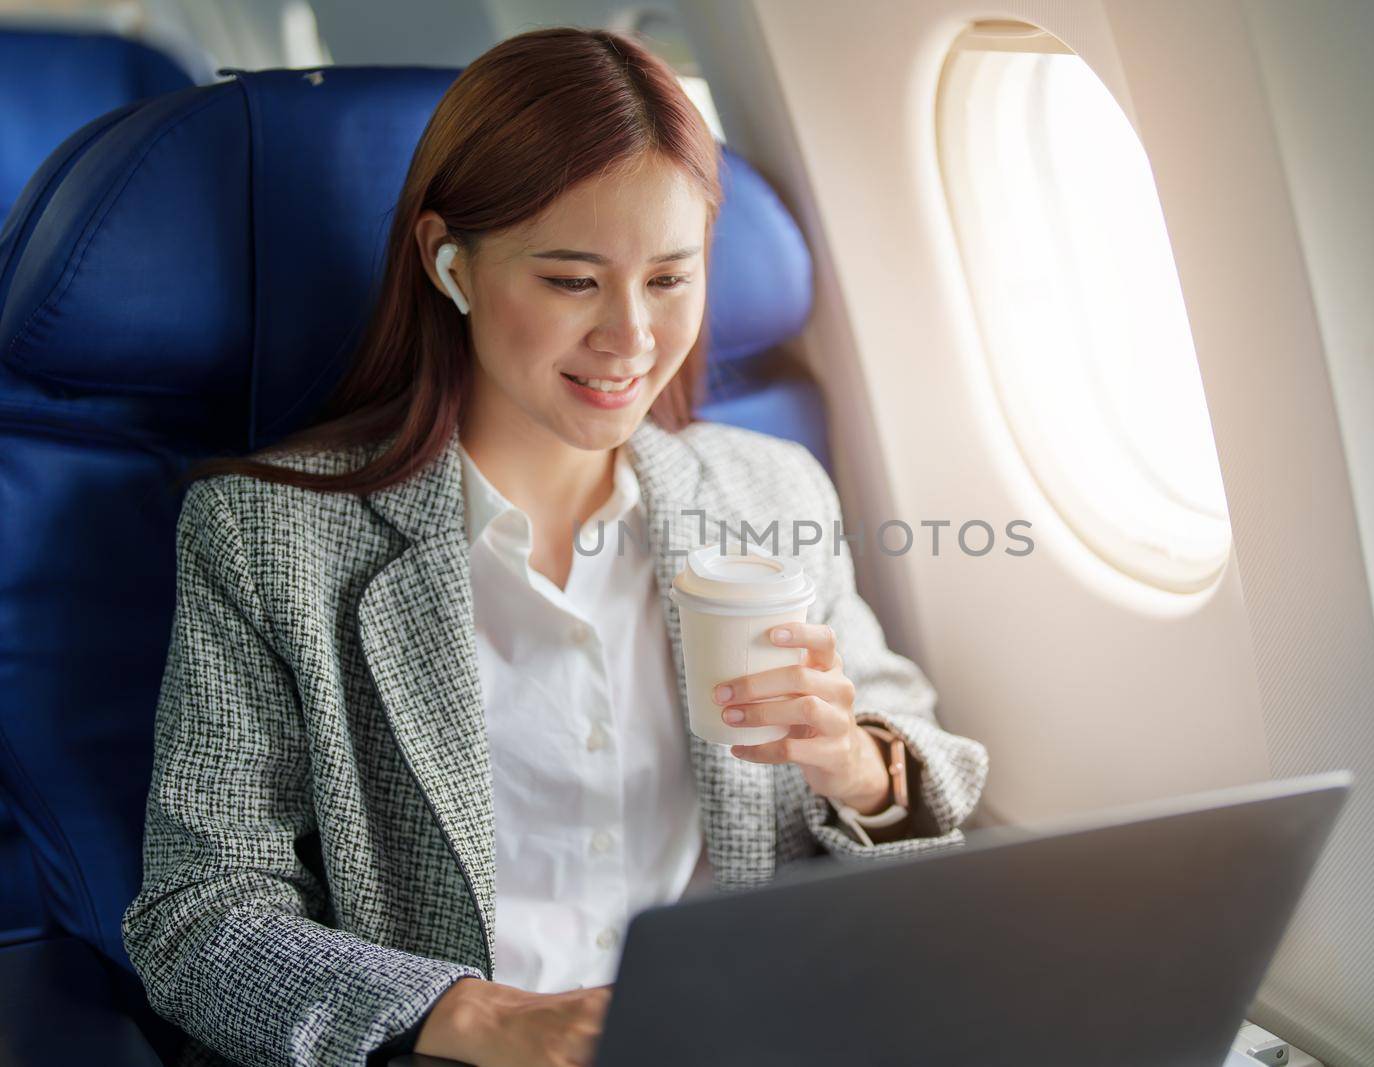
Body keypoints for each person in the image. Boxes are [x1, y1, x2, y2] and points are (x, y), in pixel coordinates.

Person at [122, 26, 989, 1067]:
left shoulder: (766, 490)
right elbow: (199, 915)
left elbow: (926, 760)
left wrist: (858, 765)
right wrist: (481, 1018)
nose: (630, 337)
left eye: (670, 279)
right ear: (451, 264)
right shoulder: (269, 538)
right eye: (574, 280)